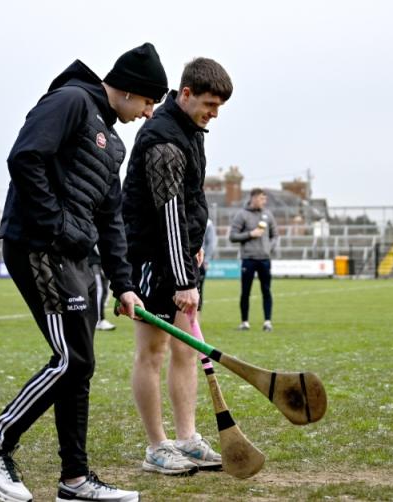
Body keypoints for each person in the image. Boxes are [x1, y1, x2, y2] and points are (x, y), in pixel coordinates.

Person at [0, 43, 167, 502]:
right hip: (38, 246)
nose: (150, 112)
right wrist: (56, 225)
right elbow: (24, 157)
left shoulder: (112, 142)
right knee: (72, 360)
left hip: (75, 256)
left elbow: (111, 219)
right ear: (131, 91)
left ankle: (75, 481)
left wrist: (125, 285)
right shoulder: (71, 100)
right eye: (150, 102)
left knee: (80, 366)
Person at [122, 57, 233, 475]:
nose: (213, 114)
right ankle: (157, 446)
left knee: (188, 348)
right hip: (151, 258)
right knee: (153, 350)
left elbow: (190, 202)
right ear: (185, 94)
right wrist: (183, 277)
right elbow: (167, 212)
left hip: (180, 253)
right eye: (208, 104)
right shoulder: (164, 141)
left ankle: (187, 439)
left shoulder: (191, 129)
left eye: (219, 107)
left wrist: (194, 246)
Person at [229, 188, 278, 332]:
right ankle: (245, 322)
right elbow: (233, 236)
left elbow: (275, 235)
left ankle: (267, 322)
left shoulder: (267, 214)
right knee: (245, 292)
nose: (265, 201)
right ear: (254, 198)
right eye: (262, 199)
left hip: (264, 259)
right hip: (248, 259)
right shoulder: (242, 215)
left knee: (266, 291)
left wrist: (269, 247)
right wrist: (251, 234)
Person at [89, 246, 116, 331]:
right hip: (93, 262)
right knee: (98, 290)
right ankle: (98, 320)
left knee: (103, 290)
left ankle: (98, 319)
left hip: (100, 262)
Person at [197, 217, 217, 310]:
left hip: (199, 260)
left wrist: (206, 260)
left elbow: (211, 243)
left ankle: (195, 323)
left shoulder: (208, 223)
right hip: (184, 260)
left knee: (198, 293)